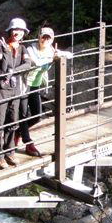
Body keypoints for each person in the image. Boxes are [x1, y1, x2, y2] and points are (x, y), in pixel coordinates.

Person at [18, 26, 72, 156]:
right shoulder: (30, 49)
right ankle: (28, 143)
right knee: (23, 115)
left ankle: (18, 132)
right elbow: (36, 62)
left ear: (52, 39)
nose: (45, 40)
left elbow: (70, 55)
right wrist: (52, 58)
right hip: (23, 85)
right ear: (39, 37)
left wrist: (59, 54)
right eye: (43, 37)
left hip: (35, 85)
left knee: (37, 116)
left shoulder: (51, 50)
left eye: (48, 38)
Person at [0, 17, 32, 169]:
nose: (18, 33)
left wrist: (13, 71)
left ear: (24, 33)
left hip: (15, 89)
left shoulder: (22, 48)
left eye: (21, 30)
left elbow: (27, 64)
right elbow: (2, 67)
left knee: (13, 122)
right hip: (1, 89)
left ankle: (9, 152)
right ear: (10, 31)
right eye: (15, 30)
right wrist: (6, 53)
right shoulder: (0, 47)